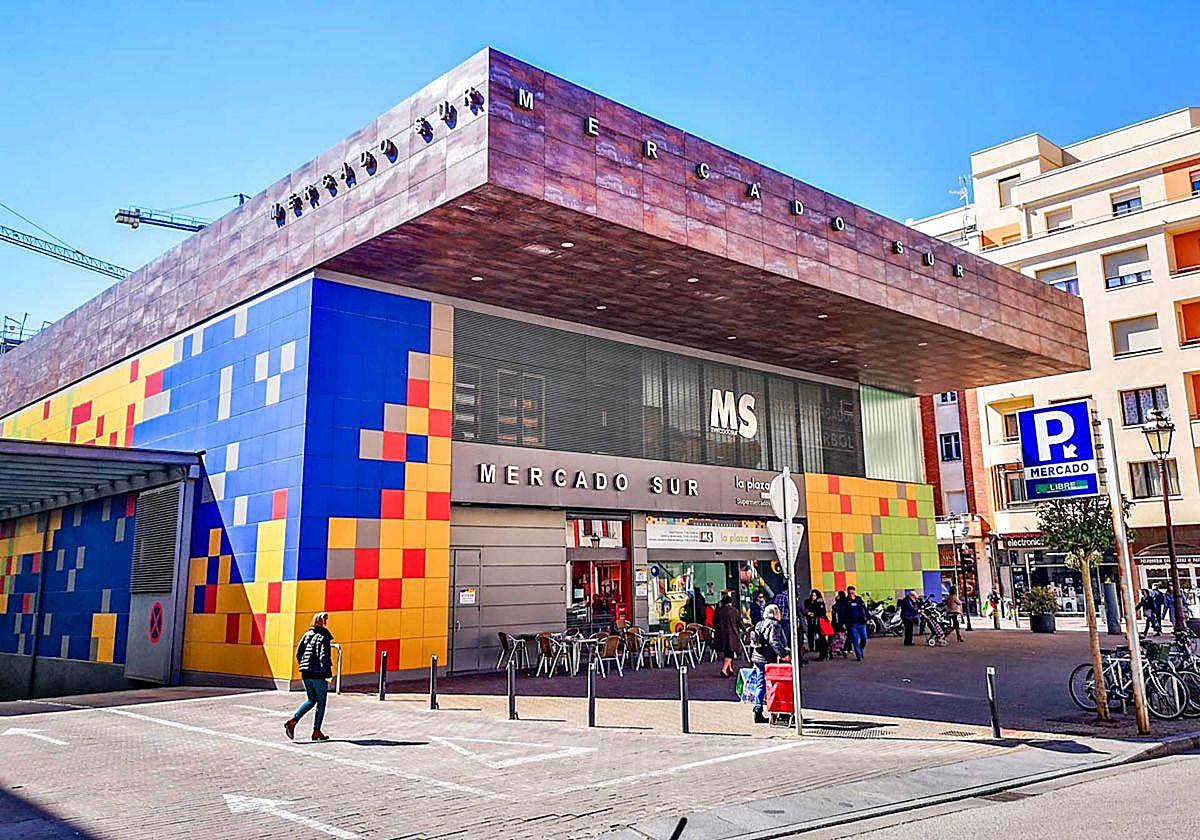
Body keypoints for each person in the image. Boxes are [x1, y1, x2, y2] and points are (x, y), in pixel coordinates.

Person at [285, 612, 335, 742]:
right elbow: (324, 656)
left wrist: (304, 666)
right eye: (326, 621)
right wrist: (328, 674)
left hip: (306, 673)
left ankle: (293, 721)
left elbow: (299, 653)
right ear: (323, 622)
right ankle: (316, 731)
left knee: (311, 700)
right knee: (321, 703)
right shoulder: (324, 635)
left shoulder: (307, 634)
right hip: (318, 674)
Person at [750, 603, 790, 724]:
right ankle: (777, 710)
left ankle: (757, 710)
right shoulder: (774, 625)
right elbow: (774, 641)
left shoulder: (759, 623)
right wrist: (784, 655)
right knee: (774, 685)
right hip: (768, 658)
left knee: (760, 684)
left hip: (757, 657)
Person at [714, 594, 742, 678]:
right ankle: (724, 669)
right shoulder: (734, 610)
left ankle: (730, 669)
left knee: (727, 651)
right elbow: (739, 622)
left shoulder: (719, 611)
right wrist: (744, 629)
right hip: (731, 634)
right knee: (730, 652)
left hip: (720, 634)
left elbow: (715, 621)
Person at [844, 586, 870, 660]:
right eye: (850, 593)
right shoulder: (846, 601)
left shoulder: (859, 599)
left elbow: (864, 609)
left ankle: (860, 649)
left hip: (861, 622)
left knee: (864, 638)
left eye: (852, 593)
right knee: (855, 639)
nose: (851, 595)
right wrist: (844, 623)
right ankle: (859, 655)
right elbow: (843, 613)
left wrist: (868, 618)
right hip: (852, 624)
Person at [803, 589, 829, 660]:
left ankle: (824, 654)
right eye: (812, 595)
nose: (813, 597)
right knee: (818, 638)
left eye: (815, 595)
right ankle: (822, 653)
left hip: (819, 623)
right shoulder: (810, 602)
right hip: (814, 623)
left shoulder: (819, 603)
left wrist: (813, 614)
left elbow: (822, 612)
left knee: (822, 639)